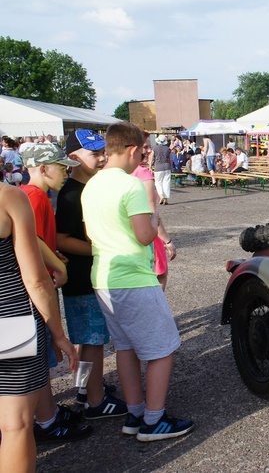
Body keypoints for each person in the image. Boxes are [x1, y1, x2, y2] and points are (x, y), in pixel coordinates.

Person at [81, 121, 193, 442]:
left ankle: (135, 412)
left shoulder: (92, 185)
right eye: (142, 152)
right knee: (163, 348)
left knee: (126, 348)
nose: (143, 157)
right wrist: (155, 219)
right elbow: (145, 235)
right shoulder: (130, 186)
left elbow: (92, 232)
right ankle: (154, 420)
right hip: (133, 278)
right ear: (131, 150)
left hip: (103, 277)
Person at [0, 184, 80, 472]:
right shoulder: (7, 197)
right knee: (16, 424)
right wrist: (58, 333)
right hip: (9, 318)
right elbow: (35, 279)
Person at [19, 144, 96, 442]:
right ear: (42, 168)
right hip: (33, 291)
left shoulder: (31, 195)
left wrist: (53, 256)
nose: (65, 172)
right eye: (60, 167)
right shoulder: (35, 197)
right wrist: (52, 264)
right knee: (38, 360)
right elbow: (30, 245)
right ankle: (46, 420)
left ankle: (47, 413)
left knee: (40, 359)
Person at [56, 129, 129, 420]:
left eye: (102, 152)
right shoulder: (73, 194)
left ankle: (87, 390)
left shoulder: (88, 187)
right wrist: (99, 249)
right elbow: (61, 238)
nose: (101, 158)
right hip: (81, 277)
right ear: (73, 158)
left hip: (87, 276)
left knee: (90, 339)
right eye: (94, 153)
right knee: (93, 340)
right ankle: (96, 402)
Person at [133, 131, 177, 289]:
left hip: (131, 237)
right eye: (145, 147)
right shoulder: (142, 174)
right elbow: (152, 213)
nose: (149, 151)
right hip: (149, 234)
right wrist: (167, 241)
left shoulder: (118, 174)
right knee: (160, 275)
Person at [151, 135, 172, 205]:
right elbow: (170, 159)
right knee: (166, 183)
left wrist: (150, 166)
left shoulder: (155, 148)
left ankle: (161, 196)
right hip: (167, 166)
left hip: (158, 167)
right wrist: (171, 166)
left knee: (158, 182)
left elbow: (152, 158)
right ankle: (166, 199)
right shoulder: (168, 149)